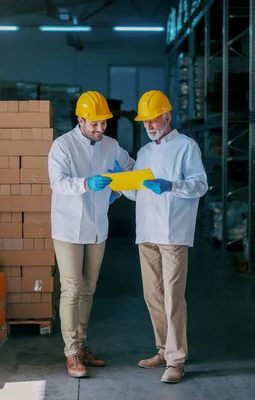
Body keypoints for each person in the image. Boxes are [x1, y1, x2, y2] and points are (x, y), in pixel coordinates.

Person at [122, 90, 208, 384]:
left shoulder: (187, 147)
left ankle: (176, 360)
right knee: (153, 296)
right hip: (146, 232)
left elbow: (199, 186)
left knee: (173, 299)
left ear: (167, 117)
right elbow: (137, 192)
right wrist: (118, 183)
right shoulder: (144, 152)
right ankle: (162, 349)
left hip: (172, 233)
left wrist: (170, 185)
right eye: (144, 121)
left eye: (153, 119)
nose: (148, 125)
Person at [48, 91, 135, 378]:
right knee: (71, 289)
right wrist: (87, 183)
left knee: (88, 288)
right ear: (80, 119)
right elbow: (58, 183)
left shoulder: (111, 145)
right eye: (94, 124)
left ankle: (82, 345)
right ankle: (72, 352)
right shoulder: (63, 146)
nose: (100, 129)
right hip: (69, 228)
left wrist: (120, 188)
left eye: (104, 124)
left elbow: (131, 170)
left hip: (97, 227)